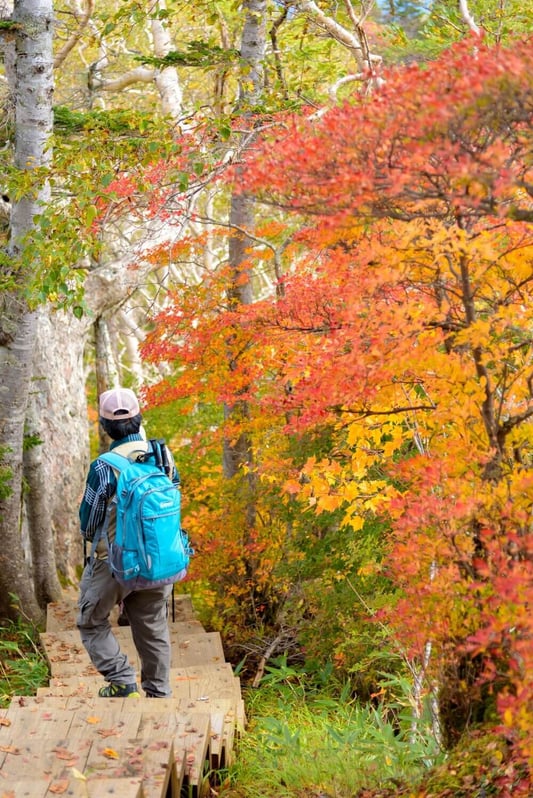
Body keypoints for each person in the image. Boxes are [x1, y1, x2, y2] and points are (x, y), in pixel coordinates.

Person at [77, 386, 178, 698]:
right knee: (152, 625)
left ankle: (121, 679)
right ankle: (159, 693)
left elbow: (89, 522)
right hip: (158, 558)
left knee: (91, 621)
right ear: (140, 418)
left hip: (115, 562)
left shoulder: (104, 467)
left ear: (106, 428)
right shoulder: (163, 456)